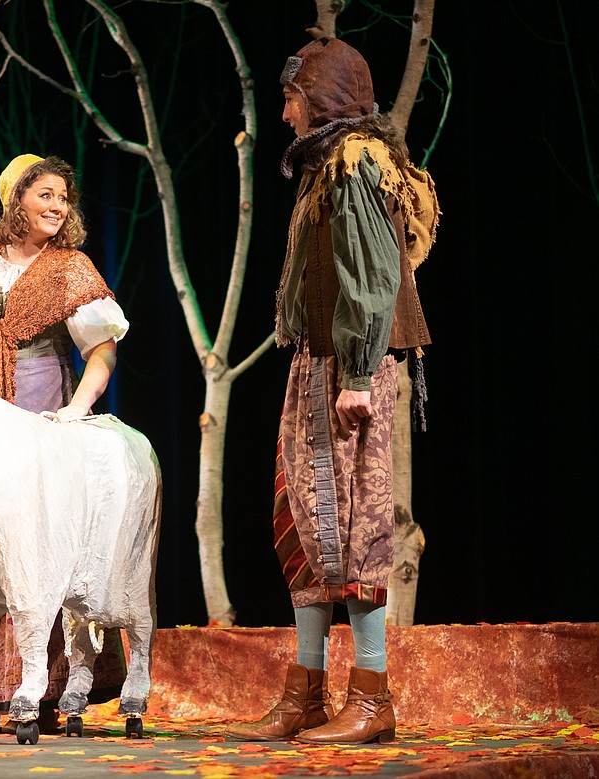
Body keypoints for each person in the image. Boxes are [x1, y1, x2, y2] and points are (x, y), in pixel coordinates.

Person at [225, 38, 436, 744]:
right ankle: (307, 691)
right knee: (311, 529)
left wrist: (353, 375)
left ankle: (372, 696)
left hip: (351, 372)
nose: (284, 114)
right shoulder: (327, 169)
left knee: (358, 531)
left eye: (291, 99)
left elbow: (373, 277)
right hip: (316, 366)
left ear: (320, 99)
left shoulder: (355, 165)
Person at [0, 153, 130, 731]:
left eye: (65, 197)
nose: (58, 206)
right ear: (15, 200)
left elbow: (102, 350)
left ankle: (49, 685)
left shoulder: (70, 267)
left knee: (41, 538)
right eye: (46, 195)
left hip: (42, 404)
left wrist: (75, 412)